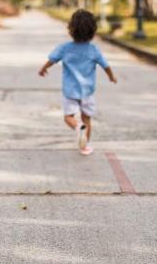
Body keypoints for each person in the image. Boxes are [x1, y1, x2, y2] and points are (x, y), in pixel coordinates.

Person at [39, 9, 117, 155]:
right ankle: (85, 147)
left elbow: (52, 60)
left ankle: (77, 126)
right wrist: (111, 77)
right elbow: (106, 65)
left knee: (68, 117)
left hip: (70, 91)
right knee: (86, 119)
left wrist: (43, 69)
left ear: (71, 29)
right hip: (87, 91)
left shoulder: (64, 48)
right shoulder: (94, 50)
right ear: (93, 32)